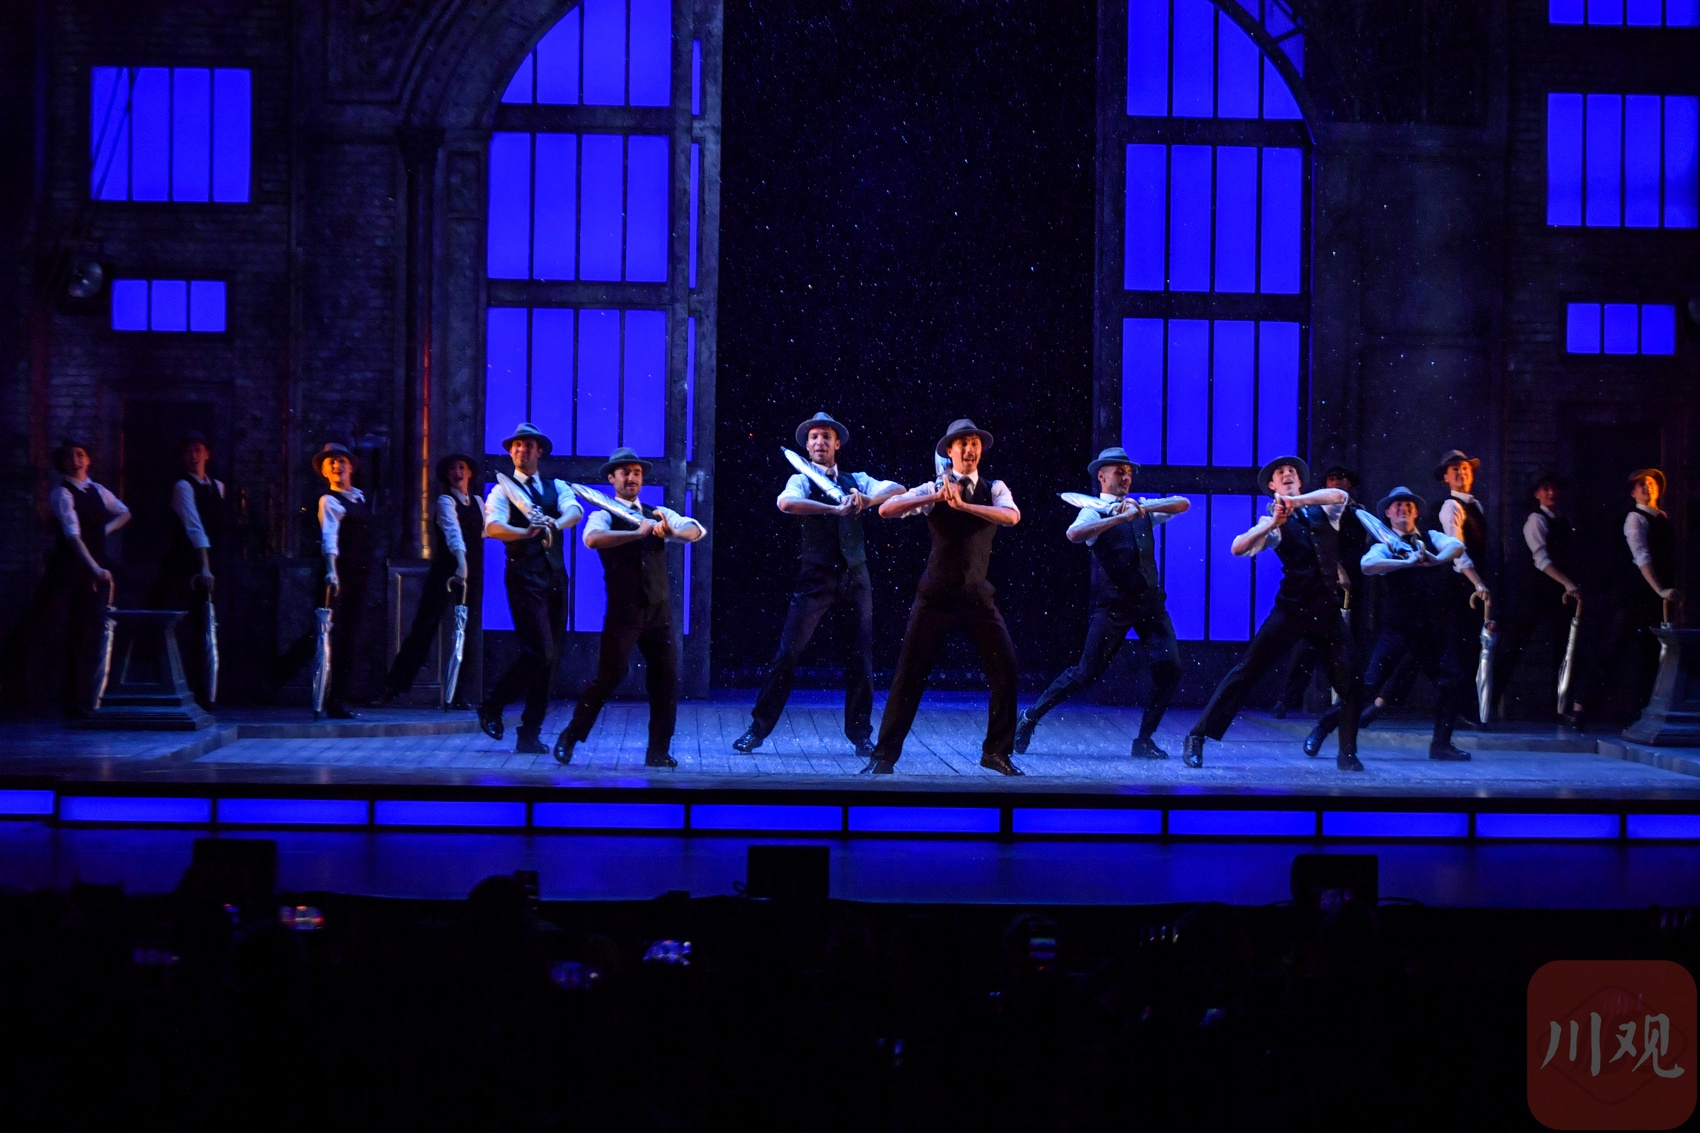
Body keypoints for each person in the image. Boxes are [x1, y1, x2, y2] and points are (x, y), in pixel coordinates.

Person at [734, 412, 904, 759]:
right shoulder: (801, 479)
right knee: (787, 654)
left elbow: (897, 490)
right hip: (816, 578)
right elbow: (785, 503)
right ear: (807, 445)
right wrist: (833, 510)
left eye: (826, 436)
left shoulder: (857, 480)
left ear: (837, 444)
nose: (819, 442)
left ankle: (861, 735)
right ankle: (758, 728)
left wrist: (866, 500)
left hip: (855, 577)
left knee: (860, 658)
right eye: (813, 437)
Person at [861, 419, 1023, 776]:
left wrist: (965, 506)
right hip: (935, 597)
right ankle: (883, 756)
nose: (970, 449)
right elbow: (887, 510)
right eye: (962, 443)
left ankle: (995, 752)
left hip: (977, 597)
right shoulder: (934, 487)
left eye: (974, 443)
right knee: (908, 676)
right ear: (949, 451)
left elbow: (1012, 516)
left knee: (1006, 669)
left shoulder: (995, 488)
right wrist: (935, 497)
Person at [1183, 457, 1362, 771]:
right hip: (1292, 609)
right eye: (1281, 473)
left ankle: (1347, 753)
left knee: (1352, 681)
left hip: (1326, 612)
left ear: (1300, 482)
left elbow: (1340, 496)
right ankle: (1197, 735)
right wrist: (1272, 523)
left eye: (1292, 471)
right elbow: (1238, 548)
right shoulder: (1273, 523)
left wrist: (1296, 502)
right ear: (1272, 486)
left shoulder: (1324, 510)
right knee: (1246, 672)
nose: (1287, 474)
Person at [1013, 446, 1188, 760]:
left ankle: (1144, 740)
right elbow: (1074, 534)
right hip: (1115, 605)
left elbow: (1182, 503)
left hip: (1150, 605)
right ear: (1102, 476)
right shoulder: (1093, 510)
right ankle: (1030, 716)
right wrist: (1115, 517)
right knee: (1086, 673)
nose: (1126, 477)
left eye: (1129, 472)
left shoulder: (1141, 508)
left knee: (1171, 667)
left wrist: (1140, 508)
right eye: (1119, 472)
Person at [554, 447, 705, 768]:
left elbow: (695, 530)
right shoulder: (604, 514)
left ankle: (658, 751)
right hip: (625, 610)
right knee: (609, 676)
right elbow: (592, 539)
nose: (632, 478)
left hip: (659, 611)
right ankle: (570, 736)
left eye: (636, 473)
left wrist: (672, 530)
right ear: (612, 478)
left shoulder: (657, 512)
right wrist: (636, 532)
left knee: (666, 679)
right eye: (625, 473)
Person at [1303, 486, 1473, 761]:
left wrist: (1435, 559)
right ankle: (1322, 728)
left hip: (1429, 630)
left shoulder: (1431, 537)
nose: (1403, 508)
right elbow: (1367, 565)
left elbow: (1457, 546)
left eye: (1408, 505)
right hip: (1398, 629)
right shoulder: (1384, 545)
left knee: (1452, 682)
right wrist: (1406, 562)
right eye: (1397, 506)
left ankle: (1441, 745)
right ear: (1388, 514)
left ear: (1416, 512)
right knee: (1366, 686)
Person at [477, 424, 582, 754]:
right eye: (517, 446)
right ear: (512, 452)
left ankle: (529, 733)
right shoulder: (501, 491)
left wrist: (555, 523)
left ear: (539, 451)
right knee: (539, 652)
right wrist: (524, 532)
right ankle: (492, 704)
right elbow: (493, 526)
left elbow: (575, 510)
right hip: (524, 577)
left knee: (549, 660)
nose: (521, 450)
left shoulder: (556, 486)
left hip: (556, 578)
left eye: (528, 445)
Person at [6, 440, 132, 714]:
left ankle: (79, 700)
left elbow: (124, 512)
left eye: (80, 455)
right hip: (67, 567)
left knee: (84, 630)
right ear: (62, 463)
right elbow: (72, 536)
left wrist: (103, 532)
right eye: (69, 457)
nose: (75, 461)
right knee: (42, 622)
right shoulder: (62, 493)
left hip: (92, 567)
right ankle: (17, 687)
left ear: (88, 460)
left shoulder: (98, 490)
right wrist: (94, 567)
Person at [382, 453, 484, 707]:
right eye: (452, 469)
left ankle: (459, 694)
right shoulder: (445, 501)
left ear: (469, 473)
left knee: (468, 630)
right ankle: (394, 687)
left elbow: (487, 530)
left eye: (461, 468)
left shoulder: (478, 502)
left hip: (473, 571)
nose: (457, 472)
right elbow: (453, 532)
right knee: (424, 626)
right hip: (447, 569)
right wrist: (461, 563)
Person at [1271, 465, 1368, 717]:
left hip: (1357, 579)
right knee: (1307, 646)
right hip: (1324, 580)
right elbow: (1321, 544)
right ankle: (1287, 698)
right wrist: (1337, 571)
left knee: (1347, 649)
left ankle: (1342, 708)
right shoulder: (1319, 508)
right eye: (1331, 479)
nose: (1336, 483)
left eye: (1341, 479)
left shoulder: (1355, 510)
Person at [1493, 473, 1585, 727]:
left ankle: (1561, 707)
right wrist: (1567, 582)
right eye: (1545, 489)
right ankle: (1487, 704)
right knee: (1512, 646)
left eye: (1553, 488)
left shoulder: (1563, 521)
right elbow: (1541, 560)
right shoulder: (1536, 520)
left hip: (1555, 594)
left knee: (1564, 649)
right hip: (1529, 591)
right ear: (1536, 494)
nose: (1551, 493)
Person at [1587, 468, 1680, 718]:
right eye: (1641, 484)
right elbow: (1642, 557)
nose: (1647, 487)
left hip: (1657, 596)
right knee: (1613, 647)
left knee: (1652, 654)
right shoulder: (1635, 518)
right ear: (1632, 492)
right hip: (1635, 593)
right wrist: (1659, 589)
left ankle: (1644, 711)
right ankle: (1582, 705)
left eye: (1651, 483)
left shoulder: (1662, 519)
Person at [147, 432, 225, 706]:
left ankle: (208, 691)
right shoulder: (183, 486)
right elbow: (194, 527)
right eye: (188, 451)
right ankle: (183, 689)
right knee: (185, 627)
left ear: (206, 454)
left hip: (212, 561)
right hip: (185, 563)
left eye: (197, 450)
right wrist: (204, 566)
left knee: (208, 626)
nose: (193, 456)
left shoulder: (217, 487)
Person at [1425, 449, 1493, 724]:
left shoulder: (1475, 507)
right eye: (1454, 469)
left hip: (1472, 588)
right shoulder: (1451, 507)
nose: (1461, 473)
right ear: (1445, 477)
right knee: (1457, 650)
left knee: (1470, 649)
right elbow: (1458, 551)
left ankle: (1467, 708)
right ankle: (1457, 710)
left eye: (1465, 468)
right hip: (1456, 588)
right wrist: (1477, 583)